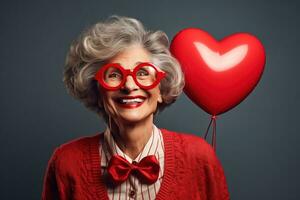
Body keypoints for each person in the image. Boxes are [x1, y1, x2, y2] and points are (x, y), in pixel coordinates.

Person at [42, 16, 230, 200]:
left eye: (142, 73)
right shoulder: (66, 163)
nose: (129, 86)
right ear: (97, 91)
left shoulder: (199, 157)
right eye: (114, 74)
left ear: (161, 89)